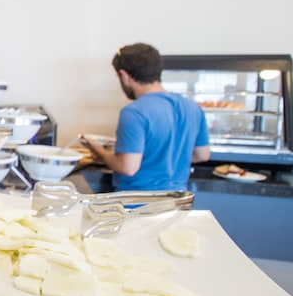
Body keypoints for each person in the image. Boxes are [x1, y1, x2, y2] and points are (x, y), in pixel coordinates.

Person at [81, 43, 210, 191]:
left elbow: (127, 167)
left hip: (138, 200)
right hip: (178, 199)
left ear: (124, 76)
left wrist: (99, 150)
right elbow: (202, 155)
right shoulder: (193, 108)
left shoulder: (134, 112)